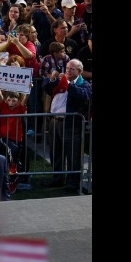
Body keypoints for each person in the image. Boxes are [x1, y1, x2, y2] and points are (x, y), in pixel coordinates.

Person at [42, 59, 91, 192]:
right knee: (55, 152)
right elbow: (46, 88)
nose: (68, 71)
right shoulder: (60, 81)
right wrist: (52, 80)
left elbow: (83, 96)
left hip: (71, 124)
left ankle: (73, 183)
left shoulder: (83, 84)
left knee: (72, 155)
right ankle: (57, 179)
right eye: (67, 68)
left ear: (79, 72)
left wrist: (68, 84)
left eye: (72, 69)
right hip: (54, 121)